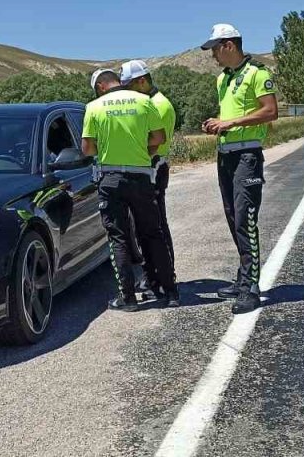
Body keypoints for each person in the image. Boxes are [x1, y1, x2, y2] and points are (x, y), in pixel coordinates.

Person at [84, 68, 179, 311]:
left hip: (111, 178)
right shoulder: (144, 101)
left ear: (100, 87)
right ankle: (170, 292)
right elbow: (158, 137)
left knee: (119, 237)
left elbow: (87, 149)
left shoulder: (94, 107)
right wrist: (138, 148)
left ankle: (127, 298)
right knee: (153, 233)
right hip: (141, 176)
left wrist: (108, 147)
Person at [199, 24, 278, 314]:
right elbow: (229, 114)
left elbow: (270, 111)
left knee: (246, 218)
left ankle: (251, 287)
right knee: (233, 218)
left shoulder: (258, 74)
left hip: (247, 156)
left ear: (229, 45)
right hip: (225, 156)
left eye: (215, 50)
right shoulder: (223, 79)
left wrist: (230, 124)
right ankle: (243, 277)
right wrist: (216, 122)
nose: (213, 57)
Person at [120, 59, 176, 300]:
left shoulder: (158, 105)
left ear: (142, 81)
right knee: (148, 227)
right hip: (148, 168)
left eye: (129, 86)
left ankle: (165, 276)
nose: (127, 92)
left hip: (153, 168)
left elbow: (154, 144)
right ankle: (155, 275)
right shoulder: (149, 102)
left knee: (156, 226)